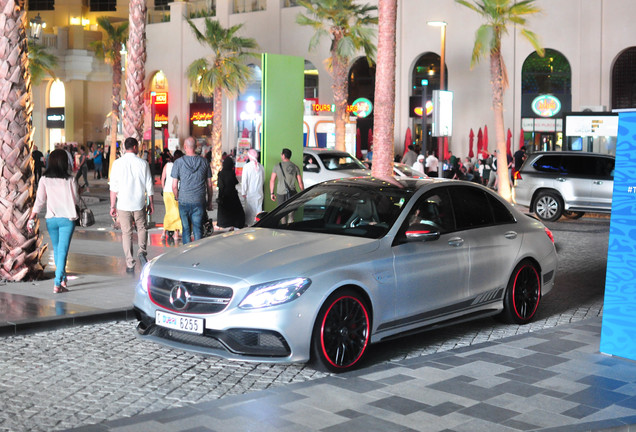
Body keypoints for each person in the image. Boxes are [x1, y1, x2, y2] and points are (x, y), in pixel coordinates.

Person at [28, 149, 80, 293]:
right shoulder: (71, 179)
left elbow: (39, 201)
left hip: (51, 219)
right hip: (66, 220)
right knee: (62, 251)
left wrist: (32, 217)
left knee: (57, 250)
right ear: (65, 162)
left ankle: (62, 279)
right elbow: (76, 199)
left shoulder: (44, 179)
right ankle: (57, 284)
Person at [109, 137, 154, 273]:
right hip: (138, 203)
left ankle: (129, 262)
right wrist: (151, 203)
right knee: (141, 228)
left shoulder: (117, 163)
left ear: (124, 147)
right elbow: (149, 185)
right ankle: (142, 252)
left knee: (126, 233)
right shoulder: (143, 163)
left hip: (123, 204)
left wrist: (112, 206)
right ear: (135, 147)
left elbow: (113, 187)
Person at [171, 136, 213, 244]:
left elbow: (174, 186)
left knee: (185, 230)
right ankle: (197, 254)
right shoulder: (204, 162)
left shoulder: (178, 163)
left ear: (185, 147)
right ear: (196, 147)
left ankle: (187, 255)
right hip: (199, 200)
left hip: (184, 200)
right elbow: (209, 185)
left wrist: (177, 197)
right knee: (198, 228)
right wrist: (209, 202)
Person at [217, 157, 246, 229]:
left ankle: (225, 223)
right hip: (232, 194)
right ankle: (235, 223)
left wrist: (220, 196)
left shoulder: (221, 173)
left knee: (225, 211)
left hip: (224, 195)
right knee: (235, 210)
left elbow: (221, 186)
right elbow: (235, 182)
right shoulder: (232, 173)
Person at [161, 149, 183, 242]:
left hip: (166, 192)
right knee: (177, 213)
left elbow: (162, 178)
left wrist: (164, 188)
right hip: (176, 191)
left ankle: (164, 232)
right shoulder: (180, 166)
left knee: (169, 212)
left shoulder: (167, 165)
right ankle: (176, 233)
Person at [241, 148, 265, 225]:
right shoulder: (261, 167)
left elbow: (244, 181)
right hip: (259, 192)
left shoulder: (246, 167)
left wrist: (243, 192)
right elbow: (264, 180)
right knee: (259, 210)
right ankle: (259, 225)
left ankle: (250, 226)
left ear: (249, 156)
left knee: (250, 212)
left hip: (250, 193)